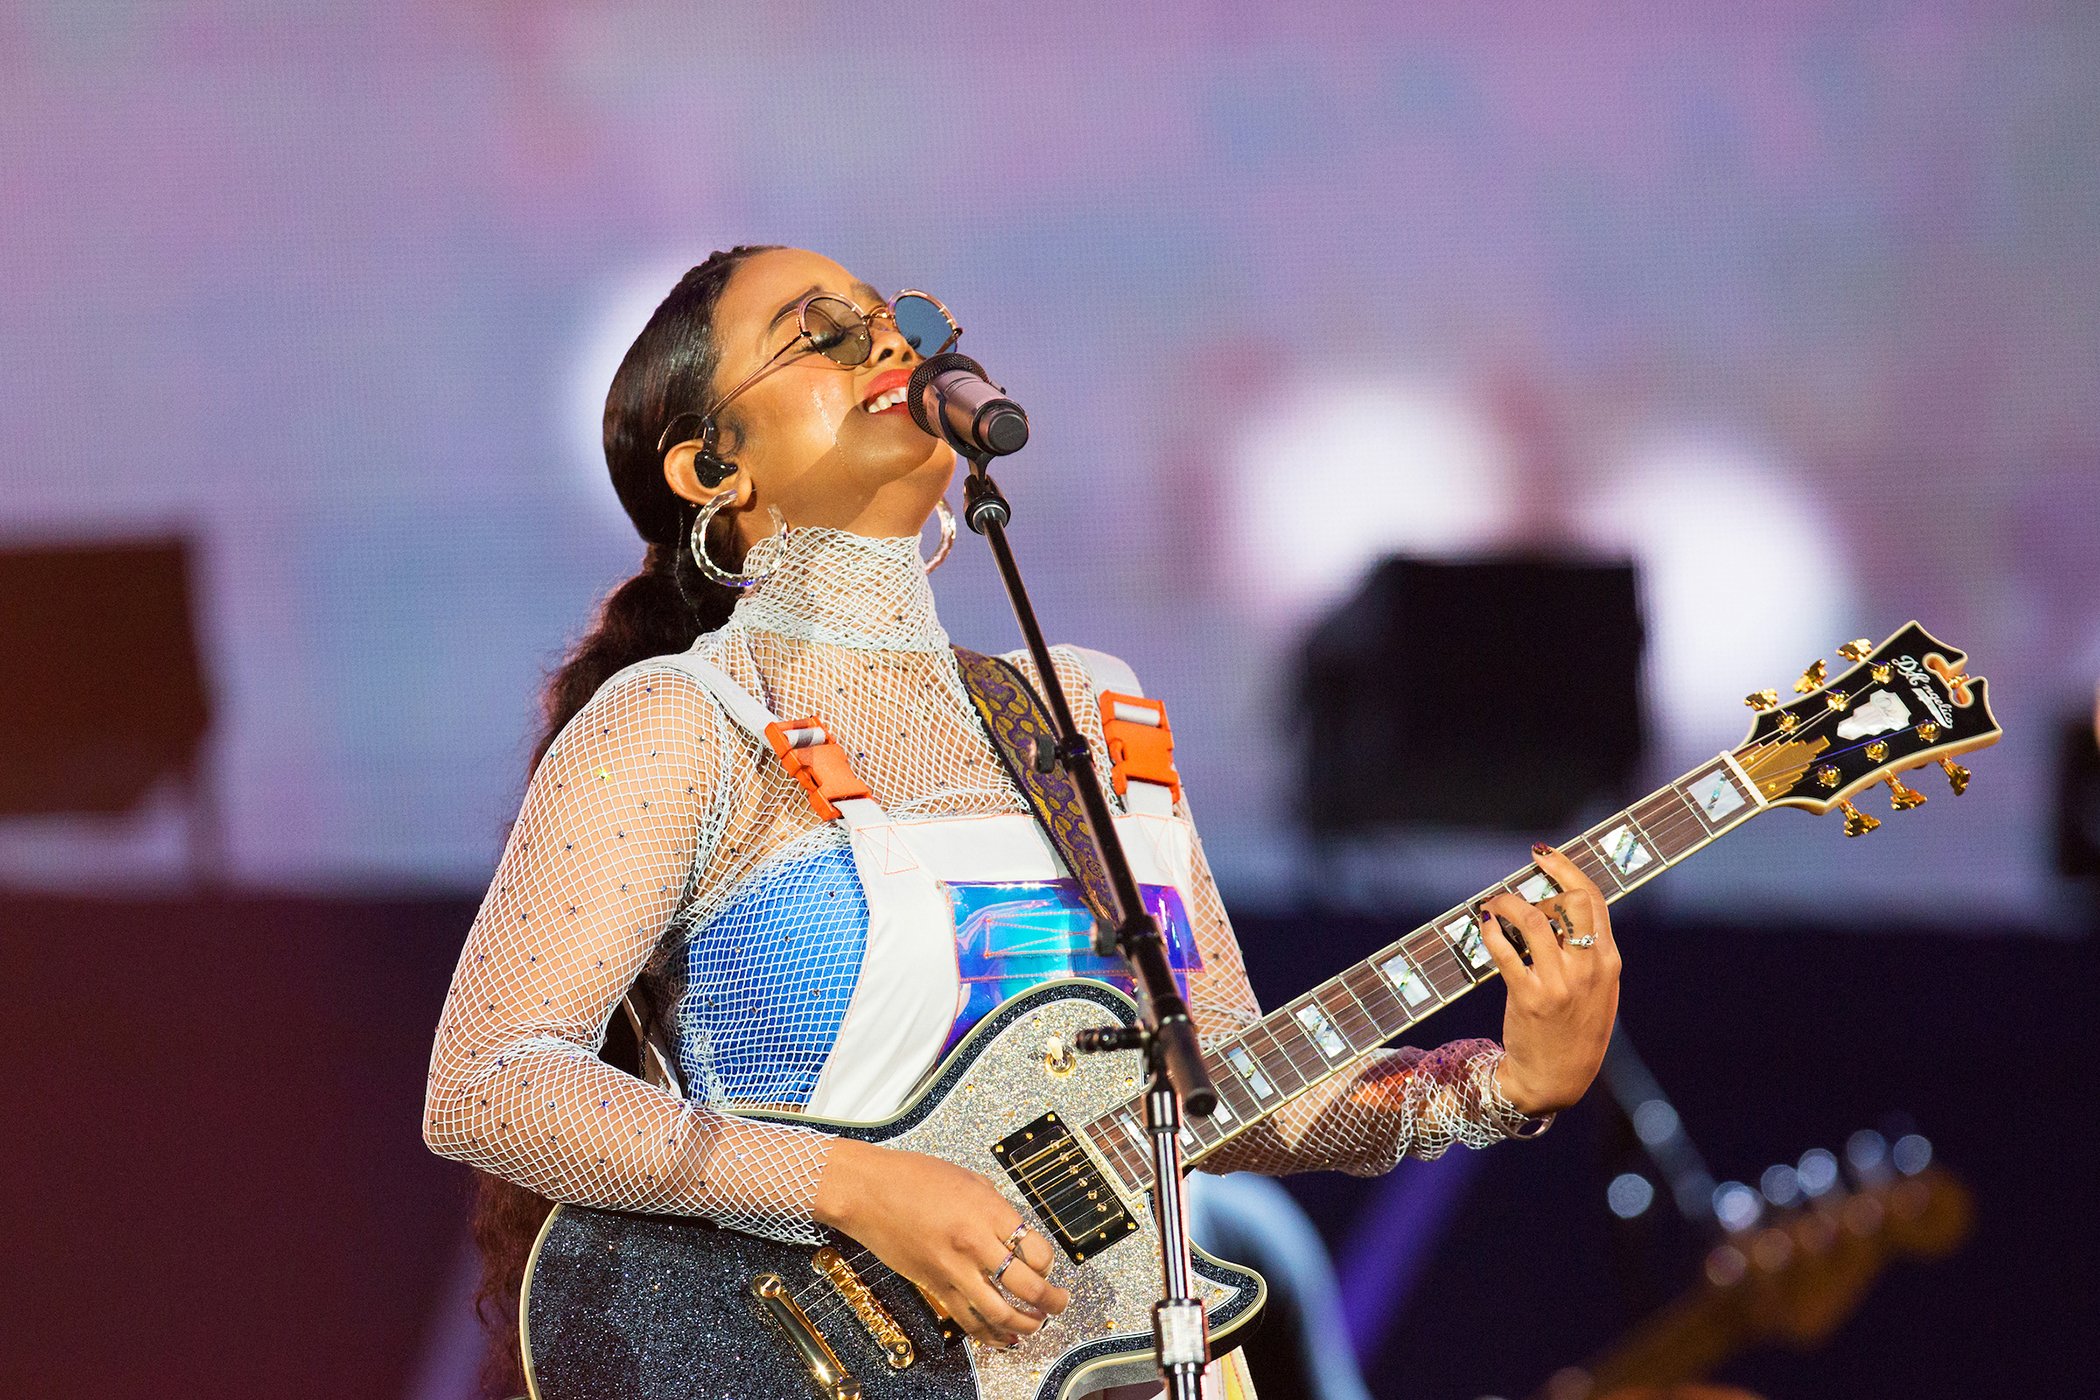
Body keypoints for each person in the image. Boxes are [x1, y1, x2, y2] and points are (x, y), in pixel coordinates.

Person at [420, 244, 1624, 1399]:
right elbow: (488, 1084)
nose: (887, 341)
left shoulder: (1087, 709)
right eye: (820, 337)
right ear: (712, 467)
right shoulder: (692, 718)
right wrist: (861, 1186)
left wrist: (1501, 1083)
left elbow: (1217, 1084)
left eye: (891, 320)